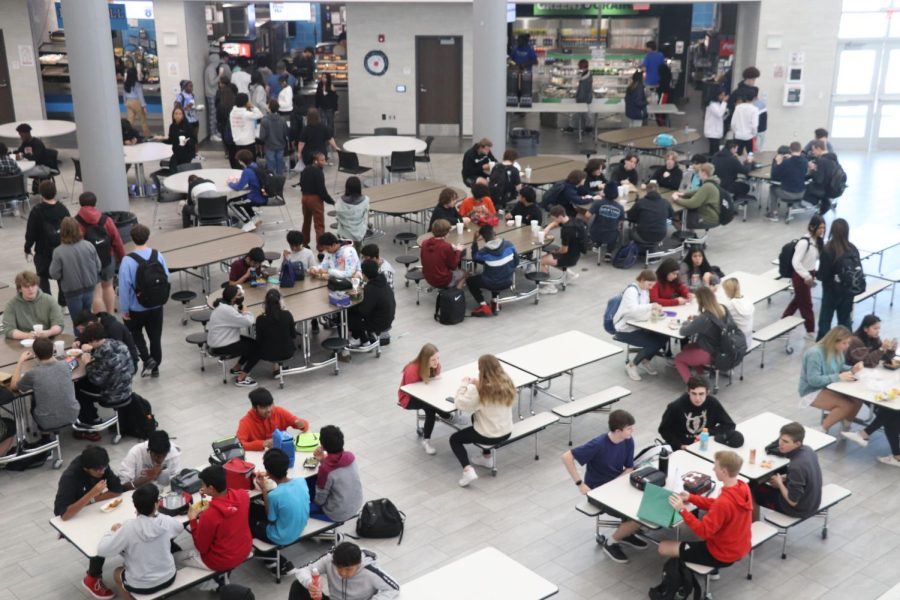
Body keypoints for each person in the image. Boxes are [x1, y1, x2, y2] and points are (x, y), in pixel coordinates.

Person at [561, 410, 644, 563]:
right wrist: (580, 484)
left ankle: (626, 532)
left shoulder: (628, 440)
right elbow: (567, 457)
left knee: (645, 504)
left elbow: (628, 469)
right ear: (618, 431)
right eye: (629, 428)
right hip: (598, 493)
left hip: (616, 487)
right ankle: (611, 543)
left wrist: (615, 484)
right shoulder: (598, 444)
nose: (632, 431)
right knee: (639, 516)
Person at [657, 450, 752, 570]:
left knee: (663, 547)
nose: (713, 469)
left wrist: (682, 510)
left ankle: (701, 569)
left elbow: (703, 531)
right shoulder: (742, 486)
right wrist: (691, 498)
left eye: (716, 467)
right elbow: (716, 504)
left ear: (724, 471)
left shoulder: (724, 502)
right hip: (741, 546)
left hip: (721, 554)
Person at [53, 445, 125, 599]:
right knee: (99, 541)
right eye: (98, 470)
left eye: (105, 468)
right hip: (73, 519)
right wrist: (92, 493)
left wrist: (92, 499)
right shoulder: (70, 477)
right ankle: (92, 578)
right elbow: (64, 515)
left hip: (94, 511)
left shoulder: (101, 465)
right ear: (87, 468)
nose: (103, 472)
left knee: (124, 527)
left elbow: (117, 490)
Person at [97, 483, 184, 600]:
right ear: (156, 504)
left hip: (142, 585)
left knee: (117, 573)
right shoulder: (165, 520)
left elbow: (103, 550)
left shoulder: (128, 527)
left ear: (135, 507)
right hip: (168, 577)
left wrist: (112, 532)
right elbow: (179, 528)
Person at [841, 315, 900, 466]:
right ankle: (895, 454)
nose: (878, 331)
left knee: (890, 413)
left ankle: (864, 434)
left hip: (867, 378)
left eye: (879, 328)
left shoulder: (873, 339)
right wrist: (883, 349)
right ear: (866, 328)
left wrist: (889, 350)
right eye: (875, 328)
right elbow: (868, 362)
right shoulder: (856, 341)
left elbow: (880, 359)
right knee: (889, 413)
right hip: (854, 380)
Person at [450, 355, 515, 487]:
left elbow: (460, 404)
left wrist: (464, 385)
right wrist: (478, 383)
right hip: (506, 430)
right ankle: (487, 458)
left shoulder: (480, 391)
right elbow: (490, 391)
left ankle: (467, 470)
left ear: (481, 370)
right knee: (475, 417)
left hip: (489, 435)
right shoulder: (507, 382)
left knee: (454, 439)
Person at [118, 223, 168, 377]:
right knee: (155, 337)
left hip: (136, 307)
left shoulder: (127, 260)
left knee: (135, 334)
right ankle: (155, 368)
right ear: (148, 237)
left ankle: (146, 358)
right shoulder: (157, 254)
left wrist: (124, 309)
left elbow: (124, 287)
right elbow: (166, 276)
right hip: (156, 305)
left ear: (132, 239)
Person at [249, 448, 310, 574]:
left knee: (247, 519)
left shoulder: (275, 495)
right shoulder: (301, 481)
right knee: (257, 508)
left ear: (269, 473)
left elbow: (271, 519)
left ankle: (266, 555)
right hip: (301, 526)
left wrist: (264, 490)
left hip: (280, 536)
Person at [186, 465, 253, 578]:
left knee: (177, 558)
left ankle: (214, 582)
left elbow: (201, 548)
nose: (201, 487)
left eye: (203, 484)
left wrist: (193, 519)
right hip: (245, 549)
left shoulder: (209, 515)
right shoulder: (243, 495)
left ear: (211, 488)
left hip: (221, 561)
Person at [11, 337, 79, 442]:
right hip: (73, 414)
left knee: (35, 399)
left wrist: (20, 362)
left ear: (35, 354)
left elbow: (14, 386)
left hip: (47, 421)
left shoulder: (33, 374)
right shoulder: (66, 365)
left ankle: (45, 438)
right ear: (53, 350)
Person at [751, 422, 823, 521]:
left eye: (786, 441)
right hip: (813, 500)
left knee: (753, 488)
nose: (780, 443)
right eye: (780, 439)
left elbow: (793, 501)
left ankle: (753, 525)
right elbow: (804, 477)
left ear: (797, 443)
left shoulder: (796, 466)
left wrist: (780, 483)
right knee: (778, 474)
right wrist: (784, 478)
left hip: (799, 509)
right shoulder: (808, 450)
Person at [799, 325, 864, 433]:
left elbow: (839, 366)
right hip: (812, 390)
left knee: (858, 400)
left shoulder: (837, 350)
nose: (847, 346)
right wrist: (838, 377)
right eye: (844, 343)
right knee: (845, 405)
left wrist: (852, 369)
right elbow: (813, 380)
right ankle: (822, 429)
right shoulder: (814, 354)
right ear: (834, 341)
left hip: (829, 386)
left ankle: (846, 426)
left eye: (848, 343)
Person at [290, 541, 400, 600]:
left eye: (348, 569)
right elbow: (302, 570)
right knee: (298, 586)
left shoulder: (370, 571)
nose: (342, 573)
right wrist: (310, 584)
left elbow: (394, 588)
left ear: (359, 564)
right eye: (339, 568)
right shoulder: (330, 559)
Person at [76, 322, 135, 432]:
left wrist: (87, 364)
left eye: (89, 341)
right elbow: (131, 369)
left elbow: (96, 380)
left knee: (77, 388)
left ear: (94, 339)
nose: (89, 344)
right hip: (127, 387)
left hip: (113, 394)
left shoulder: (103, 353)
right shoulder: (118, 343)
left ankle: (91, 420)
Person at [612, 270, 668, 381]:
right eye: (649, 284)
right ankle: (632, 366)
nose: (651, 288)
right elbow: (633, 311)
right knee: (652, 343)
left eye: (652, 285)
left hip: (638, 325)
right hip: (625, 329)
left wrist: (652, 312)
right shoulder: (631, 291)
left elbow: (642, 309)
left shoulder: (644, 290)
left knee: (664, 336)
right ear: (642, 280)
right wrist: (651, 307)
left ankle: (645, 360)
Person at [76, 192, 126, 314]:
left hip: (89, 262)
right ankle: (110, 315)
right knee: (108, 286)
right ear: (95, 203)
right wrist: (122, 257)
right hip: (108, 258)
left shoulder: (76, 222)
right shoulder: (106, 220)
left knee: (96, 292)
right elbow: (117, 240)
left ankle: (101, 319)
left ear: (80, 204)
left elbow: (76, 245)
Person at [658, 376, 735, 450]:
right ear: (688, 391)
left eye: (701, 394)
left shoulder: (713, 403)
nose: (697, 398)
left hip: (705, 445)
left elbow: (729, 425)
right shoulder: (675, 407)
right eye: (694, 394)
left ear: (707, 392)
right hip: (682, 448)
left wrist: (708, 433)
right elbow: (664, 430)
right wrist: (679, 445)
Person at [24, 180, 70, 303]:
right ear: (55, 192)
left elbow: (30, 233)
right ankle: (63, 304)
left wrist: (27, 248)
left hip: (43, 251)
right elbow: (70, 228)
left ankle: (48, 303)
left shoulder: (36, 211)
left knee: (43, 277)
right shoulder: (62, 209)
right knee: (62, 277)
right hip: (61, 249)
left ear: (41, 193)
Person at [49, 217, 101, 324]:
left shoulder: (58, 252)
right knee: (88, 320)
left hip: (72, 292)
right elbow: (98, 266)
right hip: (89, 288)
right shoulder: (89, 245)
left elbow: (54, 274)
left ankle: (80, 340)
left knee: (78, 323)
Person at [816, 218, 861, 340]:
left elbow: (823, 275)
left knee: (825, 321)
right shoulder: (852, 248)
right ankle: (847, 347)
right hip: (848, 291)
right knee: (845, 321)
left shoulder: (828, 249)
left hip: (831, 291)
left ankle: (823, 347)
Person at [397, 344, 446, 455]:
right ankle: (427, 440)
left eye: (438, 358)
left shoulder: (436, 366)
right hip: (408, 398)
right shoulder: (412, 369)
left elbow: (437, 380)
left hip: (428, 394)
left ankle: (445, 415)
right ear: (425, 359)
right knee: (431, 408)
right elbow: (412, 392)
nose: (436, 362)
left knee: (432, 405)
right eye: (433, 359)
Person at [782, 215, 825, 340]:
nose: (822, 230)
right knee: (806, 303)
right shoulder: (803, 243)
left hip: (809, 274)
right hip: (801, 276)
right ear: (812, 227)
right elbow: (796, 262)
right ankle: (810, 331)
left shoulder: (817, 242)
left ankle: (783, 321)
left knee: (798, 301)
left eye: (823, 228)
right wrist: (807, 276)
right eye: (820, 228)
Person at [674, 286, 729, 382]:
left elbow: (683, 331)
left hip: (710, 352)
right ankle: (702, 375)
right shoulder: (723, 309)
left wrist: (686, 323)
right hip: (721, 348)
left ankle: (692, 386)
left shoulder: (704, 318)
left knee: (678, 358)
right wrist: (697, 320)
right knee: (687, 347)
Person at [310, 425, 363, 522]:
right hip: (356, 504)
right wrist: (323, 460)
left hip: (336, 513)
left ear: (322, 445)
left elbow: (320, 500)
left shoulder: (325, 469)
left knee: (302, 508)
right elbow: (335, 468)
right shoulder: (350, 456)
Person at [208, 284, 258, 387]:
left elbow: (234, 316)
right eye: (239, 295)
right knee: (257, 349)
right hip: (222, 345)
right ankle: (241, 379)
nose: (241, 297)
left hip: (220, 340)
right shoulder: (227, 310)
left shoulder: (223, 305)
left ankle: (237, 368)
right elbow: (248, 322)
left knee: (252, 343)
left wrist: (240, 312)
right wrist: (246, 312)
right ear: (232, 298)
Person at [236, 387, 310, 452]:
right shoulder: (245, 422)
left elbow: (303, 426)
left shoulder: (279, 411)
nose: (269, 410)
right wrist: (263, 443)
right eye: (263, 407)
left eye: (271, 405)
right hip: (258, 456)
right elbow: (238, 445)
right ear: (254, 408)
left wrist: (302, 425)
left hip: (280, 453)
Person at [467, 224, 518, 315]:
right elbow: (516, 262)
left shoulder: (484, 252)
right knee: (498, 271)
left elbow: (475, 257)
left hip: (492, 283)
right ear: (495, 233)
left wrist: (474, 240)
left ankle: (483, 306)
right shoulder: (509, 245)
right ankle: (495, 301)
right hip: (508, 281)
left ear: (482, 238)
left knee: (470, 281)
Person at [3, 270, 64, 340]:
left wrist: (48, 332)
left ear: (38, 286)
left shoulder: (49, 300)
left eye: (33, 285)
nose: (30, 289)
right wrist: (27, 335)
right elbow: (8, 329)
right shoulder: (11, 305)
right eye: (26, 287)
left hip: (48, 340)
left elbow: (59, 324)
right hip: (23, 342)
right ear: (19, 289)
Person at [348, 260, 395, 348]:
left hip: (379, 323)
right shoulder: (383, 281)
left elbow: (363, 311)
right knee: (356, 312)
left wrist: (352, 305)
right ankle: (364, 340)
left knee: (350, 315)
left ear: (365, 274)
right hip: (388, 318)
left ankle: (358, 339)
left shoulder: (371, 288)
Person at [538, 205, 585, 295]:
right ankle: (570, 274)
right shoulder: (571, 220)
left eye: (554, 219)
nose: (554, 221)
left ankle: (550, 287)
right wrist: (547, 228)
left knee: (541, 261)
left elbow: (564, 250)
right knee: (550, 257)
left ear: (559, 217)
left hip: (569, 257)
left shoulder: (566, 230)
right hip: (576, 254)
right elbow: (556, 223)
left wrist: (554, 252)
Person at [73, 309, 140, 371]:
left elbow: (112, 353)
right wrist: (78, 341)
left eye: (81, 329)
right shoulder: (95, 324)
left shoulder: (113, 328)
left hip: (126, 365)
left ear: (90, 324)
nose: (80, 332)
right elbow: (86, 336)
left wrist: (91, 351)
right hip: (110, 359)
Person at [254, 289, 298, 376]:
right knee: (279, 339)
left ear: (265, 303)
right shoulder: (287, 314)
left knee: (272, 340)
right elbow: (293, 335)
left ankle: (276, 367)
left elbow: (259, 340)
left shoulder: (260, 319)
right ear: (280, 301)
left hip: (268, 354)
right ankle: (278, 367)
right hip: (287, 352)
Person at [300, 152, 335, 249]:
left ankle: (304, 243)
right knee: (319, 225)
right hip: (315, 200)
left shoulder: (305, 169)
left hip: (304, 198)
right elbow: (322, 191)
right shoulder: (319, 173)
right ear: (316, 161)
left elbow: (301, 184)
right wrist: (331, 201)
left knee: (306, 222)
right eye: (322, 160)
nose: (324, 162)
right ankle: (321, 247)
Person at [767, 141, 809, 221]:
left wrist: (778, 163)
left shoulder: (786, 163)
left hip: (788, 194)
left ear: (790, 150)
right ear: (800, 149)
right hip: (802, 193)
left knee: (772, 188)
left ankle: (773, 213)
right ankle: (791, 209)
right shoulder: (805, 161)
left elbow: (774, 176)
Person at [672, 162, 720, 230]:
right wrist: (684, 194)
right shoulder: (712, 183)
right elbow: (697, 191)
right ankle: (690, 234)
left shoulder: (707, 186)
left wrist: (676, 199)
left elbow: (692, 203)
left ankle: (686, 237)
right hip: (712, 215)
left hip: (708, 218)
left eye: (699, 171)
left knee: (675, 216)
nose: (698, 174)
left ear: (704, 172)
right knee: (686, 213)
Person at [420, 219, 466, 290]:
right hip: (443, 280)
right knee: (465, 272)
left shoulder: (424, 243)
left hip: (428, 277)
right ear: (446, 233)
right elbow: (453, 266)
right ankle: (455, 295)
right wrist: (458, 250)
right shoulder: (446, 246)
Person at [228, 149, 266, 230]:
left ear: (241, 161)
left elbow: (238, 187)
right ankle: (254, 217)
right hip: (263, 194)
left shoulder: (247, 171)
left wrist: (230, 183)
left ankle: (247, 222)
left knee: (231, 203)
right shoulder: (255, 165)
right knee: (243, 199)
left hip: (256, 197)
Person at [627, 181, 673, 247]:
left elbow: (630, 217)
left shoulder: (641, 202)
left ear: (647, 191)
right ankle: (653, 247)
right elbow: (671, 215)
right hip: (660, 235)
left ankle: (636, 249)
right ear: (658, 190)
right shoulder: (665, 202)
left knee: (629, 231)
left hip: (643, 235)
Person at [806, 139, 842, 214]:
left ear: (819, 149)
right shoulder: (833, 157)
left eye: (813, 150)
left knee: (805, 188)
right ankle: (825, 202)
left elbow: (818, 180)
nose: (813, 152)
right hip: (835, 187)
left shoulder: (822, 161)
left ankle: (821, 203)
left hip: (826, 189)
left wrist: (813, 169)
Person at [589, 182, 625, 255]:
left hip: (595, 233)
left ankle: (597, 244)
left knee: (596, 223)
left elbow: (587, 215)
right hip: (611, 236)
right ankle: (609, 252)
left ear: (604, 192)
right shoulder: (620, 207)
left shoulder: (598, 203)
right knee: (616, 230)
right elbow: (621, 222)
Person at [229, 93, 263, 169]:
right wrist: (252, 106)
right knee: (250, 165)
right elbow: (260, 114)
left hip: (237, 143)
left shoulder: (232, 113)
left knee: (240, 165)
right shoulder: (247, 114)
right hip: (248, 143)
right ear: (246, 102)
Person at [719, 277, 754, 348]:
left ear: (728, 290)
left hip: (738, 341)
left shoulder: (730, 305)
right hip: (749, 338)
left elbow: (717, 315)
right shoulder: (747, 299)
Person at [725, 66, 760, 133]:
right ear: (748, 79)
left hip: (741, 123)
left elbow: (729, 105)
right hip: (745, 123)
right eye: (753, 80)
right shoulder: (739, 92)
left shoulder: (737, 91)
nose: (754, 82)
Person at [337, 176, 370, 247]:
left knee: (346, 255)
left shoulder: (340, 202)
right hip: (360, 234)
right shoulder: (366, 200)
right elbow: (365, 217)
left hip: (345, 234)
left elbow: (338, 217)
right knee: (358, 255)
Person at [259, 99, 289, 176]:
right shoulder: (282, 119)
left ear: (269, 108)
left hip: (269, 146)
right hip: (280, 145)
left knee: (271, 166)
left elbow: (262, 136)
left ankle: (271, 181)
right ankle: (279, 181)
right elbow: (286, 133)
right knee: (280, 164)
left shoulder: (265, 120)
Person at [122, 63, 150, 138]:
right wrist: (144, 106)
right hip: (136, 102)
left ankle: (127, 135)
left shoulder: (125, 84)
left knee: (130, 120)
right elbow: (140, 96)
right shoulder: (137, 84)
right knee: (143, 119)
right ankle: (147, 135)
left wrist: (125, 102)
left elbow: (124, 94)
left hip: (128, 102)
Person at [205, 53, 224, 140]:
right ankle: (212, 134)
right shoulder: (210, 69)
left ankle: (215, 132)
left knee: (214, 114)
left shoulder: (211, 69)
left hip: (212, 93)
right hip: (211, 94)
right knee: (213, 114)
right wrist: (220, 75)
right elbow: (212, 83)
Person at [571, 59, 594, 133]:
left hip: (584, 99)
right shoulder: (586, 74)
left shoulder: (586, 77)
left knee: (585, 114)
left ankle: (588, 127)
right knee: (583, 114)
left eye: (579, 66)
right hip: (585, 98)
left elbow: (584, 90)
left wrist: (578, 98)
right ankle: (587, 127)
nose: (579, 67)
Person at [704, 88, 728, 155]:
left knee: (714, 150)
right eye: (721, 95)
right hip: (712, 132)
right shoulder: (712, 104)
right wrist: (724, 102)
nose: (723, 97)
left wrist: (726, 113)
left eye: (724, 95)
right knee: (715, 151)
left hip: (715, 132)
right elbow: (719, 113)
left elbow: (721, 116)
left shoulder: (717, 104)